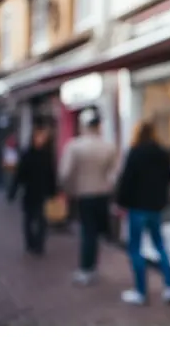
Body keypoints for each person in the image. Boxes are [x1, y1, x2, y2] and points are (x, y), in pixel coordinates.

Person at [115, 122, 170, 305]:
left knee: (135, 249)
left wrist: (120, 203)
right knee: (160, 246)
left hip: (137, 208)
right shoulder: (162, 153)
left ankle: (141, 291)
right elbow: (169, 178)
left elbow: (126, 180)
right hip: (155, 208)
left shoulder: (135, 152)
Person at [59, 107, 118, 286]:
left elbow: (65, 173)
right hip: (102, 193)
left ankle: (86, 268)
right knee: (96, 232)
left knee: (87, 232)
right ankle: (92, 266)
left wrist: (69, 189)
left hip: (84, 194)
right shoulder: (108, 147)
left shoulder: (74, 146)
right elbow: (114, 174)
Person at [7, 119, 57, 256]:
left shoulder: (47, 155)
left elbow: (51, 174)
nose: (40, 140)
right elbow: (19, 174)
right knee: (29, 219)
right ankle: (30, 243)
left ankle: (39, 245)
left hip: (42, 192)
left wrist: (53, 191)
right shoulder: (27, 154)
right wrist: (13, 191)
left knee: (41, 219)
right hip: (29, 192)